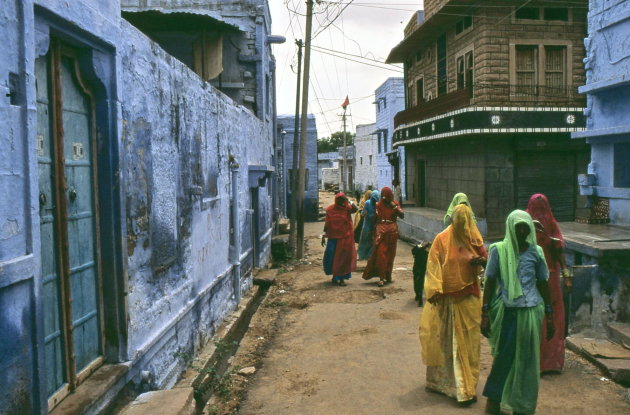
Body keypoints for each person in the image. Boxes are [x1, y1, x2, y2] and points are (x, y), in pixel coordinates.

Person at [481, 210, 555, 415]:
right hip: (509, 314)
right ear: (510, 228)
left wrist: (549, 315)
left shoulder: (536, 252)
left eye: (525, 227)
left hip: (531, 313)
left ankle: (522, 405)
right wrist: (484, 313)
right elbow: (490, 283)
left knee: (527, 361)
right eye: (517, 227)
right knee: (504, 358)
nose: (521, 230)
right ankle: (493, 402)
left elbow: (543, 284)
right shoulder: (498, 250)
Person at [419, 204, 487, 405]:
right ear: (452, 220)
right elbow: (433, 265)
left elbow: (485, 258)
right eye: (458, 222)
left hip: (469, 298)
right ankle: (459, 389)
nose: (461, 226)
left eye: (464, 223)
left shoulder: (473, 238)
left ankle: (467, 383)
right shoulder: (441, 239)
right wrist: (434, 289)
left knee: (469, 343)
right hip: (448, 299)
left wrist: (479, 261)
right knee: (451, 343)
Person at [527, 193, 571, 373]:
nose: (540, 213)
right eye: (536, 209)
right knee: (533, 315)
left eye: (542, 209)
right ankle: (533, 361)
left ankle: (550, 362)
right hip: (531, 277)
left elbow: (560, 252)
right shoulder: (523, 223)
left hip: (551, 276)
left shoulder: (551, 224)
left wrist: (567, 275)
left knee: (552, 314)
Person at [362, 187, 404, 287]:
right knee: (381, 254)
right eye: (383, 197)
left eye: (387, 197)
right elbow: (374, 219)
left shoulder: (395, 204)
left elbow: (402, 215)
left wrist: (395, 207)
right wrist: (372, 232)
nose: (385, 199)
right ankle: (381, 277)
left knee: (390, 255)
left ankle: (388, 276)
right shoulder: (378, 205)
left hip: (392, 232)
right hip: (381, 232)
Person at [321, 193, 358, 286]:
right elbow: (327, 223)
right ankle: (335, 276)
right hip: (333, 237)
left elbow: (356, 209)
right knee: (332, 256)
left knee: (344, 258)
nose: (342, 203)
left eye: (343, 200)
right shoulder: (330, 209)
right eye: (340, 200)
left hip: (345, 237)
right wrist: (324, 235)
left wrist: (349, 201)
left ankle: (342, 279)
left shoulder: (347, 208)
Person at [357, 190, 380, 260]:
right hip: (372, 225)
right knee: (371, 241)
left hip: (368, 224)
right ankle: (369, 255)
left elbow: (363, 213)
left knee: (365, 240)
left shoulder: (367, 203)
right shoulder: (377, 204)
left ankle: (364, 255)